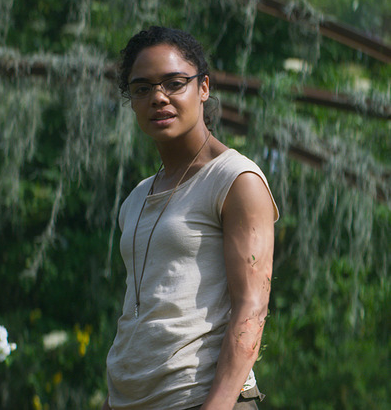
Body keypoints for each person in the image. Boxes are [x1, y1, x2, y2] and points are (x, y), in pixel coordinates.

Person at [103, 26, 278, 410]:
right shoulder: (135, 199)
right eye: (142, 88)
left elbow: (252, 309)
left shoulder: (235, 179)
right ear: (131, 100)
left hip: (199, 398)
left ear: (203, 88)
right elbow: (142, 314)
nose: (158, 97)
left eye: (174, 83)